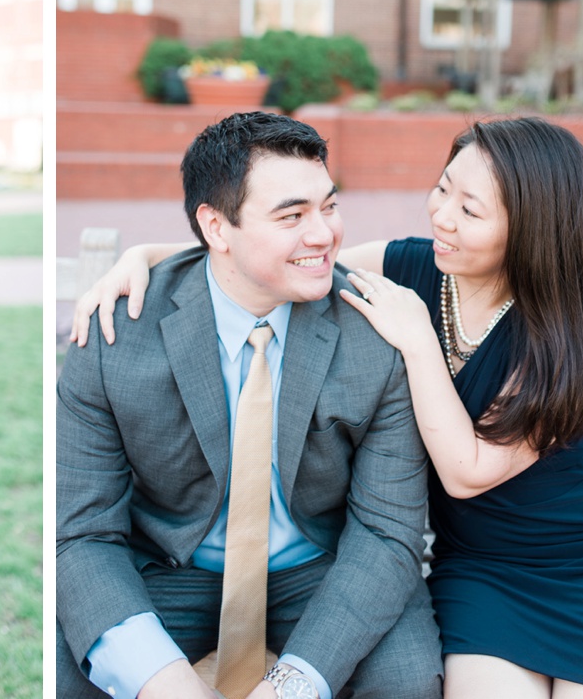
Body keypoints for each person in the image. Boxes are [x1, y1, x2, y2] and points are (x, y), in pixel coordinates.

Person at [73, 115, 583, 699]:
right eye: (443, 188)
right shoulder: (411, 266)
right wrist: (145, 257)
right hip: (481, 563)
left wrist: (418, 339)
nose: (441, 215)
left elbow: (466, 473)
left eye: (469, 210)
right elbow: (287, 257)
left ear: (531, 229)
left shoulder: (560, 334)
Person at [58, 112, 442, 699]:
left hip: (320, 568)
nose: (323, 235)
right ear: (216, 227)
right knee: (69, 674)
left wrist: (290, 686)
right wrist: (168, 688)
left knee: (407, 680)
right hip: (167, 569)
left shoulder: (377, 333)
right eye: (291, 216)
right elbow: (81, 533)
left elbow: (388, 534)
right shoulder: (115, 332)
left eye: (329, 207)